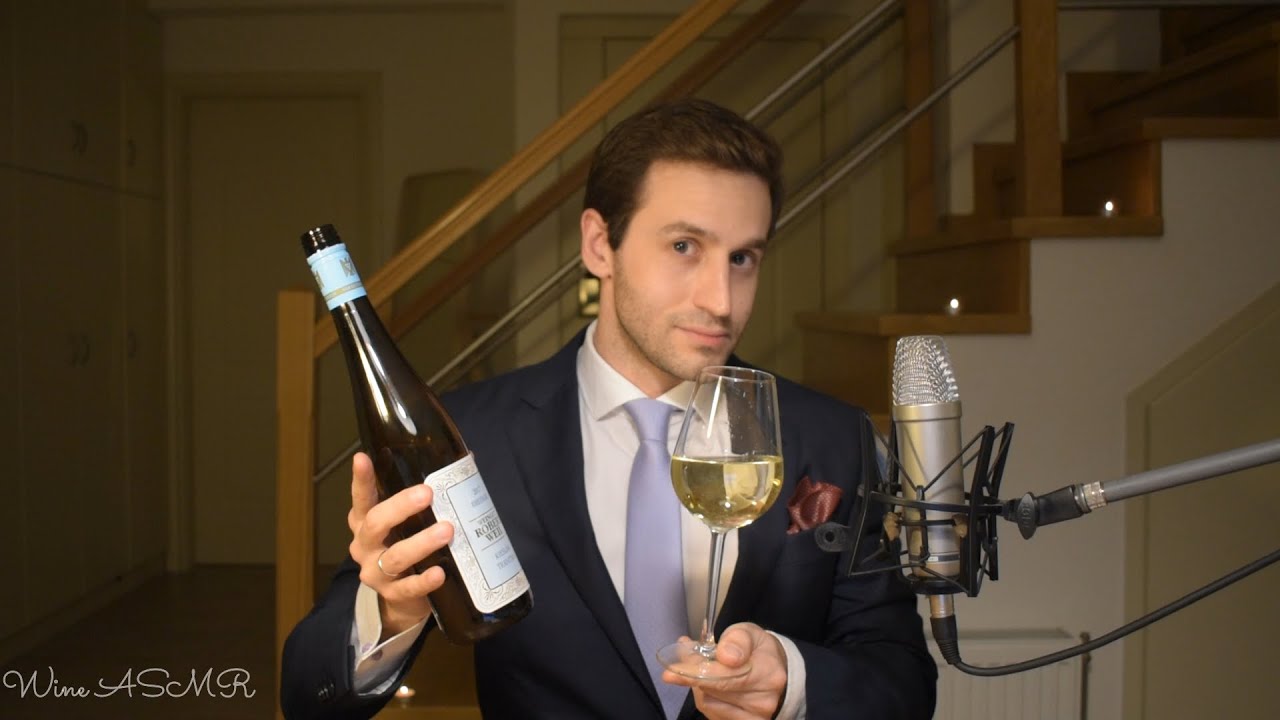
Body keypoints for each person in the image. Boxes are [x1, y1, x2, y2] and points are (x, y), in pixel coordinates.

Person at [280, 97, 937, 719]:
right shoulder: (471, 437)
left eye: (743, 257)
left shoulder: (832, 437)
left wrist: (791, 683)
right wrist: (389, 611)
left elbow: (903, 681)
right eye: (684, 246)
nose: (721, 299)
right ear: (599, 244)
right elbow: (309, 698)